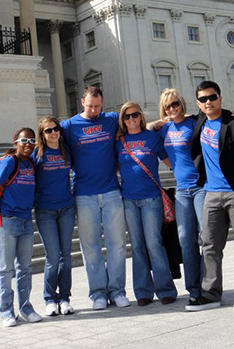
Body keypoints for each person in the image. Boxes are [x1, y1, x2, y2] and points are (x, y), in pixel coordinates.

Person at [187, 80, 234, 311]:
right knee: (209, 245)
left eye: (212, 97)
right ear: (198, 103)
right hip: (211, 193)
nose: (208, 102)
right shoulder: (199, 121)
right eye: (203, 99)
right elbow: (175, 119)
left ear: (220, 98)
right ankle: (211, 294)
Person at [60, 86, 129, 310]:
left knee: (117, 244)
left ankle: (117, 291)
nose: (93, 110)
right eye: (90, 106)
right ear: (82, 102)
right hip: (84, 194)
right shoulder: (70, 126)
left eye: (97, 106)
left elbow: (136, 121)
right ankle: (98, 293)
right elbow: (45, 134)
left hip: (111, 191)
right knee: (90, 247)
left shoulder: (110, 120)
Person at [116, 101, 177, 306]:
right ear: (123, 120)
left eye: (135, 115)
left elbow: (170, 161)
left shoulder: (152, 138)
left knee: (154, 244)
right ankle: (143, 292)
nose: (131, 119)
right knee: (137, 246)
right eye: (127, 116)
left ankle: (165, 289)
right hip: (129, 200)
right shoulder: (119, 141)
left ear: (141, 117)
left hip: (151, 199)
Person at [0, 128, 42, 327]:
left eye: (32, 140)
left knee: (25, 267)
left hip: (25, 220)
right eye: (24, 140)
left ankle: (25, 308)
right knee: (6, 269)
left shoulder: (31, 163)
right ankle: (6, 310)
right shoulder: (9, 161)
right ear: (16, 142)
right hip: (6, 220)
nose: (28, 144)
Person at [156, 89, 205, 306]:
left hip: (202, 187)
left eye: (175, 104)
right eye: (167, 106)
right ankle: (194, 289)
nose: (172, 108)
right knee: (186, 240)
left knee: (207, 238)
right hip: (182, 191)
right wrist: (173, 167)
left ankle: (209, 285)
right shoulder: (164, 129)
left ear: (182, 104)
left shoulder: (193, 123)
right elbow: (146, 132)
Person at [32, 116, 75, 317]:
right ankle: (50, 299)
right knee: (53, 258)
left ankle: (65, 298)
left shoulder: (66, 150)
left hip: (66, 208)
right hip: (45, 211)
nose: (53, 133)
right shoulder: (37, 154)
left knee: (66, 256)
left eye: (55, 128)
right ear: (42, 134)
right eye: (48, 130)